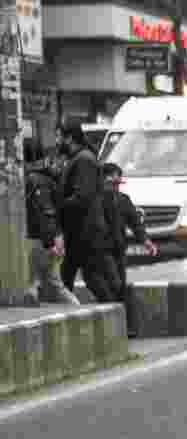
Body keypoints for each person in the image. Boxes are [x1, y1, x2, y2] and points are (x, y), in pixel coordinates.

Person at [56, 119, 121, 303]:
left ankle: (114, 314)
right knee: (70, 279)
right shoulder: (79, 158)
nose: (56, 141)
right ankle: (114, 314)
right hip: (80, 232)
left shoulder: (84, 160)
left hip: (85, 233)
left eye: (58, 136)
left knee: (90, 278)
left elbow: (82, 197)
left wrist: (57, 204)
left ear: (68, 138)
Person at [102, 162, 158, 337]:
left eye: (118, 184)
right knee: (114, 284)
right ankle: (114, 326)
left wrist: (146, 242)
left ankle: (126, 328)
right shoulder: (97, 200)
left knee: (120, 288)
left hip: (119, 250)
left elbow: (135, 224)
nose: (115, 187)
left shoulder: (123, 200)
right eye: (112, 183)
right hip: (102, 251)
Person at [23, 138, 79, 305]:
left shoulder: (34, 179)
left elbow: (46, 211)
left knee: (45, 283)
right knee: (48, 282)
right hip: (45, 237)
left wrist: (51, 241)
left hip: (40, 239)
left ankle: (75, 308)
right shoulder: (43, 177)